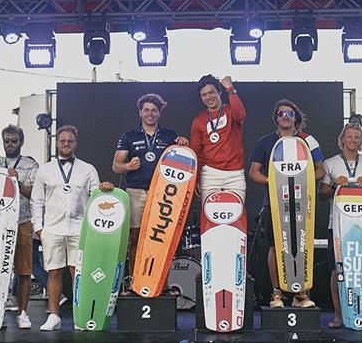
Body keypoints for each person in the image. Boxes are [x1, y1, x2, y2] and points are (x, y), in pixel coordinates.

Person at [30, 125, 113, 331]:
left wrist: (106, 189)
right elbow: (36, 201)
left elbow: (97, 197)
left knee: (79, 273)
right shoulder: (45, 170)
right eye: (62, 140)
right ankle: (54, 317)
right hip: (52, 229)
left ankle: (80, 316)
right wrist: (39, 229)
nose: (66, 144)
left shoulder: (88, 169)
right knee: (54, 273)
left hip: (80, 229)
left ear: (76, 143)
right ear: (57, 143)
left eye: (70, 141)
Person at [249, 99, 324, 309]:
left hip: (301, 203)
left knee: (301, 244)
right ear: (276, 118)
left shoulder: (308, 141)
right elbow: (254, 172)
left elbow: (321, 170)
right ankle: (277, 294)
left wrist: (305, 180)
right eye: (281, 113)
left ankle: (300, 294)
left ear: (295, 118)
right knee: (276, 246)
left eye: (289, 113)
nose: (285, 116)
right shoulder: (265, 142)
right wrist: (272, 181)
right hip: (275, 203)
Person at [112, 93, 188, 279]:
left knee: (162, 239)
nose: (150, 114)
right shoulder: (129, 136)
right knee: (136, 237)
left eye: (154, 110)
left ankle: (162, 282)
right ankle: (134, 280)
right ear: (140, 112)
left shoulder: (170, 135)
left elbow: (183, 159)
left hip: (164, 194)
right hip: (136, 192)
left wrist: (184, 145)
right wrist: (128, 166)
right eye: (146, 110)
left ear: (159, 113)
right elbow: (116, 166)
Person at [318, 122, 362, 328]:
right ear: (342, 139)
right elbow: (322, 194)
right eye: (350, 136)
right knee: (338, 270)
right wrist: (335, 184)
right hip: (338, 225)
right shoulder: (330, 163)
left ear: (361, 141)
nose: (353, 140)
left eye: (357, 137)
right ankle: (339, 315)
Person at [0, 125, 39, 329]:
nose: (10, 144)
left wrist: (17, 183)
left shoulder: (31, 165)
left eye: (14, 140)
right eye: (7, 140)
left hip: (22, 221)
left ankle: (23, 312)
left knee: (24, 270)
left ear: (21, 142)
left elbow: (35, 194)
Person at [190, 74, 246, 200]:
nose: (208, 97)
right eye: (204, 95)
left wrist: (230, 88)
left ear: (219, 92)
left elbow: (241, 115)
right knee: (209, 216)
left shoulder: (231, 111)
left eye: (211, 92)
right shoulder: (198, 120)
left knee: (236, 214)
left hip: (235, 173)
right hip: (210, 174)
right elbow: (196, 152)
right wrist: (195, 178)